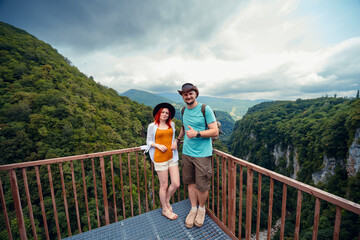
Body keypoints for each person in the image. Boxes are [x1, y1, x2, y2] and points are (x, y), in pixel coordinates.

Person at [175, 83, 219, 228]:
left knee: (202, 185)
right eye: (185, 94)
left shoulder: (205, 109)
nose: (188, 96)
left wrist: (197, 134)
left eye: (190, 94)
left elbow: (214, 131)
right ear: (182, 96)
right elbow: (183, 127)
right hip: (187, 152)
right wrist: (178, 140)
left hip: (202, 154)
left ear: (196, 94)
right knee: (190, 182)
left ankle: (201, 209)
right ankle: (193, 209)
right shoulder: (183, 110)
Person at [146, 102, 180, 220]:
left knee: (176, 183)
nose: (165, 114)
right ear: (158, 113)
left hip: (172, 157)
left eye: (167, 113)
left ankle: (166, 200)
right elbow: (149, 141)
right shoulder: (152, 126)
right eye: (163, 112)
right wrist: (158, 145)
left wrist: (175, 142)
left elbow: (173, 138)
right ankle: (165, 209)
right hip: (160, 159)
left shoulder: (172, 124)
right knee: (164, 185)